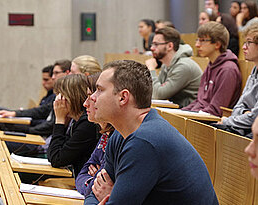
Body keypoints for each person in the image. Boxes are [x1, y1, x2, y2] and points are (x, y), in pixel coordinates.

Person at [84, 60, 218, 204]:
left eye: (100, 90)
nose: (91, 98)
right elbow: (93, 192)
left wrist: (111, 196)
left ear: (123, 97)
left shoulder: (145, 141)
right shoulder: (120, 134)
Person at [216, 22, 258, 136]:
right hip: (243, 126)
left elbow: (257, 117)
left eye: (249, 43)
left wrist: (228, 121)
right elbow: (238, 106)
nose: (243, 47)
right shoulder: (255, 69)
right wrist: (245, 113)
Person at [182, 22, 241, 117]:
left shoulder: (228, 70)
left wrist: (189, 116)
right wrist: (181, 112)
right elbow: (200, 101)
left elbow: (216, 110)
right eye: (197, 40)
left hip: (211, 123)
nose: (197, 45)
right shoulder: (210, 65)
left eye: (202, 41)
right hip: (200, 116)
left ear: (217, 44)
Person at [48, 74, 101, 178]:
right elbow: (54, 155)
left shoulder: (88, 123)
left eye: (60, 97)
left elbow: (57, 159)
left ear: (70, 97)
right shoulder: (76, 121)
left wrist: (59, 121)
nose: (57, 102)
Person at [76, 74, 115, 197]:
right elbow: (82, 174)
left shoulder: (116, 136)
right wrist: (90, 181)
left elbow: (58, 159)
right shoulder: (105, 134)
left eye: (90, 97)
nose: (85, 104)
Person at [145, 27, 202, 107]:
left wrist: (151, 70)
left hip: (190, 113)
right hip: (178, 110)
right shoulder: (166, 64)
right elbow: (154, 92)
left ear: (170, 46)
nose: (152, 48)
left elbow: (159, 95)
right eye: (152, 44)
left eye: (156, 44)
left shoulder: (183, 66)